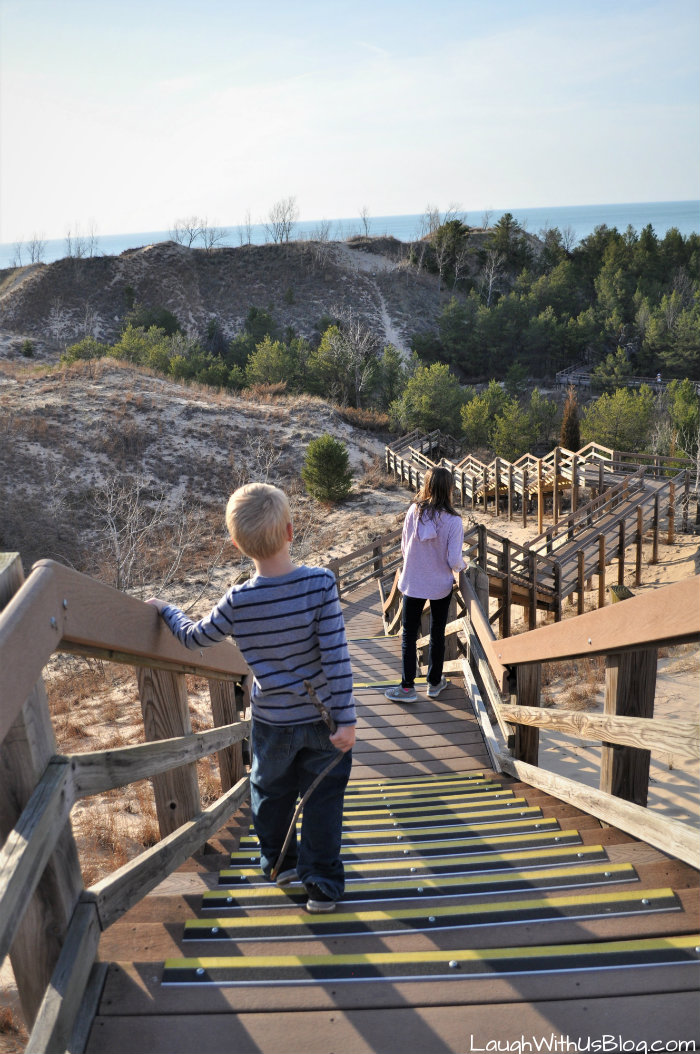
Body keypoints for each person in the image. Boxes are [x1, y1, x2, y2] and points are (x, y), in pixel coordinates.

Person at [147, 482, 355, 914]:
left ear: (237, 545)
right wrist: (346, 718)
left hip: (271, 722)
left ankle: (280, 865)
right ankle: (321, 885)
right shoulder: (320, 584)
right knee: (322, 799)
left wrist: (166, 608)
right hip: (322, 721)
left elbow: (194, 638)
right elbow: (336, 656)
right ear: (291, 532)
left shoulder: (238, 600)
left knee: (271, 792)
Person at [385, 466, 465, 703]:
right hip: (440, 584)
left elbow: (403, 546)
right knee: (437, 633)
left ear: (427, 486)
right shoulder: (453, 521)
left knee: (409, 634)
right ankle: (434, 682)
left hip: (413, 580)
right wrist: (463, 568)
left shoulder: (414, 511)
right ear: (450, 489)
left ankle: (407, 688)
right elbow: (454, 560)